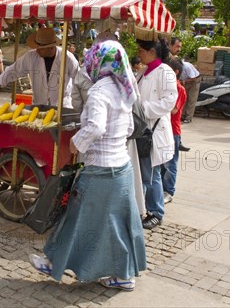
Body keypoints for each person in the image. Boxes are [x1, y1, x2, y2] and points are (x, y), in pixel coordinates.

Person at [29, 40, 146, 291]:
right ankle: (123, 275)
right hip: (121, 168)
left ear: (98, 61)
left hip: (100, 170)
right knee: (118, 225)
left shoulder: (99, 91)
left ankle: (52, 261)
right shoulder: (125, 88)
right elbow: (128, 128)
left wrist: (74, 145)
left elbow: (94, 127)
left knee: (75, 216)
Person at [136, 39, 178, 230]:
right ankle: (143, 207)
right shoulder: (143, 72)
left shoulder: (165, 72)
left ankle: (156, 212)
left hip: (154, 131)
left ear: (152, 51)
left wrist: (141, 109)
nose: (139, 54)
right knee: (143, 173)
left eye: (141, 50)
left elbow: (169, 102)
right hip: (140, 130)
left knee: (152, 175)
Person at [0, 27, 79, 108]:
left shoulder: (67, 58)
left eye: (40, 48)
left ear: (50, 48)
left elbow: (79, 79)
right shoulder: (31, 56)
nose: (37, 50)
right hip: (39, 106)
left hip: (62, 106)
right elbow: (13, 70)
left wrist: (78, 103)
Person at [162, 57, 188, 204]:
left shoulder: (179, 89)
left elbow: (174, 110)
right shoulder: (168, 87)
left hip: (173, 130)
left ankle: (169, 191)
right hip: (165, 129)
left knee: (170, 163)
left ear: (175, 72)